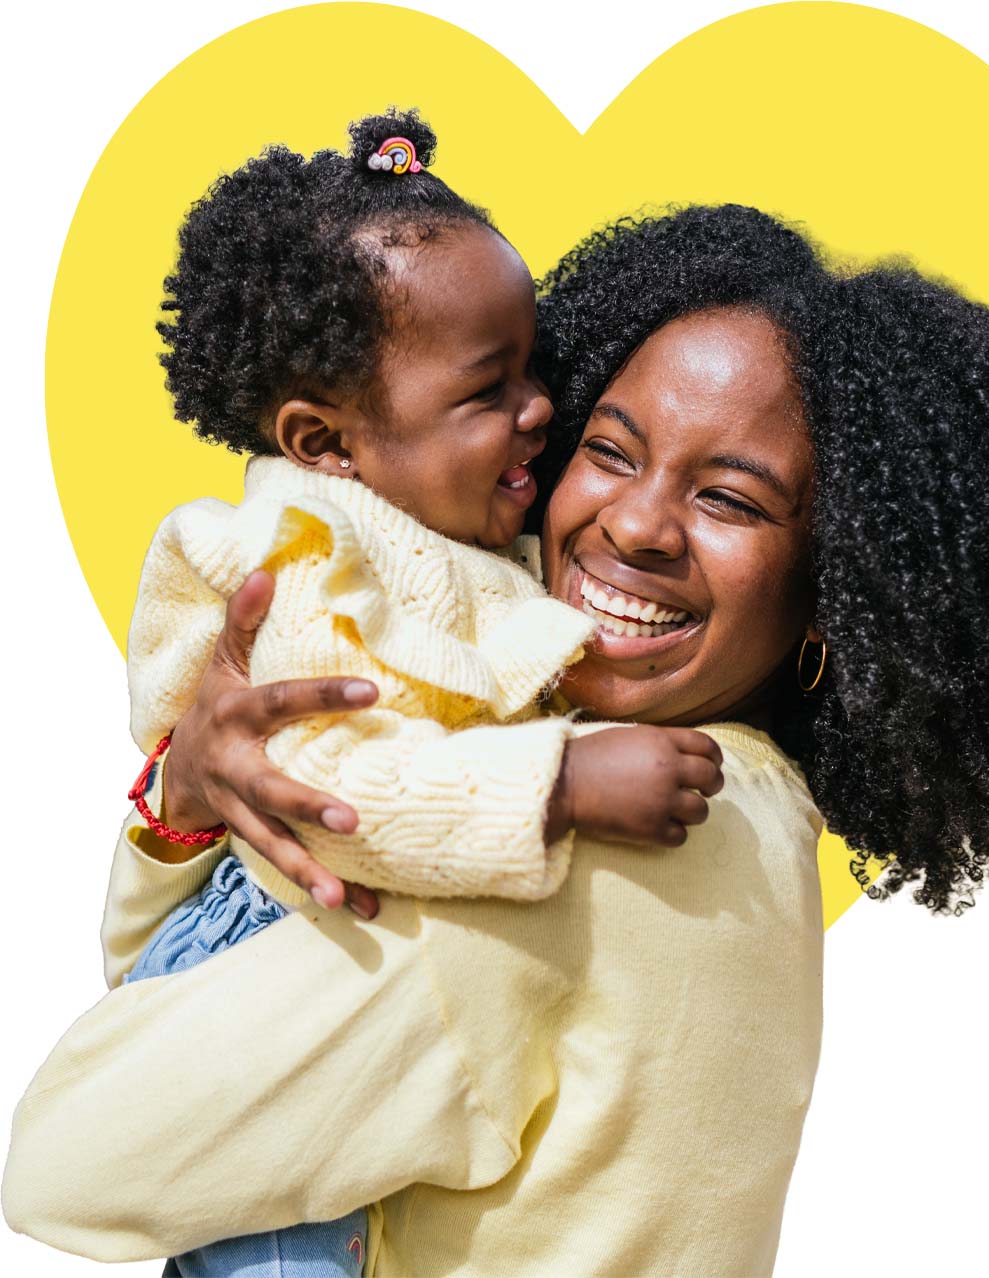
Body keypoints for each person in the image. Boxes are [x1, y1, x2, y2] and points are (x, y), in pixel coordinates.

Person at [3, 205, 989, 1275]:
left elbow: (70, 1156)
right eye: (611, 449)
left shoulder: (593, 833)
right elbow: (192, 972)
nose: (638, 526)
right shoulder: (736, 811)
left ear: (839, 594)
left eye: (733, 501)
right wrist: (191, 798)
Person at [109, 105, 727, 1276]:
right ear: (326, 441)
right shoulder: (307, 562)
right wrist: (556, 784)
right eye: (488, 388)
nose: (541, 407)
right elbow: (324, 787)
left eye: (536, 367)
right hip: (266, 984)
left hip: (342, 975)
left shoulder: (452, 537)